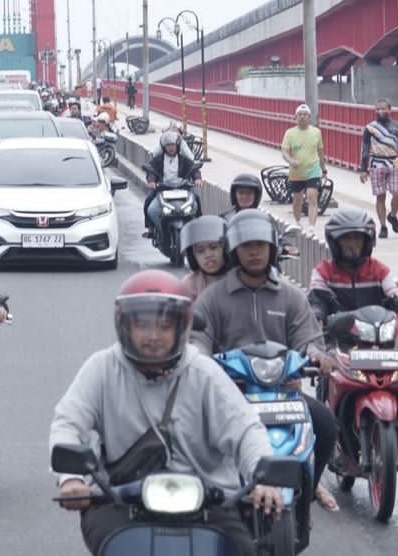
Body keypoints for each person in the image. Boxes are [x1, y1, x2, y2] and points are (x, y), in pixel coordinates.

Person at [52, 270, 281, 555]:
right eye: (143, 325)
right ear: (124, 325)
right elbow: (69, 423)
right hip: (121, 499)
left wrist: (265, 479)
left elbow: (246, 429)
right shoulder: (101, 368)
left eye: (164, 325)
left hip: (209, 502)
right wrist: (71, 479)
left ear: (181, 327)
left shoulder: (204, 373)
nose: (153, 335)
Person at [191, 208, 341, 513]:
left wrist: (317, 355)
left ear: (272, 249)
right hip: (231, 395)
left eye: (260, 245)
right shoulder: (213, 298)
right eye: (246, 246)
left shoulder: (290, 297)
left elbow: (308, 338)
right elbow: (198, 343)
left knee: (325, 424)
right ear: (234, 250)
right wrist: (201, 362)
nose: (254, 252)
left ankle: (307, 491)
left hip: (284, 393)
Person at [306, 208, 398, 457]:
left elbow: (395, 296)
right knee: (325, 375)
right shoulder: (324, 271)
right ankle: (326, 430)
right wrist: (318, 316)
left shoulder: (379, 270)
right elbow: (317, 299)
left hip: (379, 342)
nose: (352, 244)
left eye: (357, 238)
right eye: (346, 239)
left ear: (367, 241)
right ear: (335, 242)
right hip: (340, 342)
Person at [358, 98, 398, 238]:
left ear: (390, 110)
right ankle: (383, 226)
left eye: (384, 109)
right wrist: (363, 169)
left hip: (394, 162)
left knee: (397, 193)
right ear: (375, 111)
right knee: (380, 196)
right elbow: (364, 149)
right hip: (377, 163)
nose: (381, 111)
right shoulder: (370, 128)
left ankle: (392, 215)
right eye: (378, 109)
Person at [142, 129, 200, 237]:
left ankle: (198, 228)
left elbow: (194, 169)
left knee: (196, 201)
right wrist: (151, 182)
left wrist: (197, 179)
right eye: (168, 145)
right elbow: (152, 172)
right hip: (163, 189)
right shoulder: (158, 160)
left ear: (177, 145)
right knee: (150, 205)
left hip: (183, 188)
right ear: (164, 146)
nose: (171, 148)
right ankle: (151, 229)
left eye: (173, 145)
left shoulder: (184, 160)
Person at [281, 103, 326, 230]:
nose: (302, 117)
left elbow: (321, 152)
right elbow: (284, 151)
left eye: (305, 114)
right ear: (295, 117)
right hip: (296, 172)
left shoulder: (316, 132)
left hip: (313, 169)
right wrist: (291, 160)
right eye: (299, 114)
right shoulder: (290, 133)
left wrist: (324, 170)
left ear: (309, 117)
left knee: (312, 197)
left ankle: (311, 226)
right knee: (297, 200)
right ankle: (297, 221)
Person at [178, 215, 230, 298]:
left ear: (224, 248)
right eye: (200, 251)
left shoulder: (238, 279)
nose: (208, 255)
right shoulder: (189, 284)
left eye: (213, 247)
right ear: (193, 255)